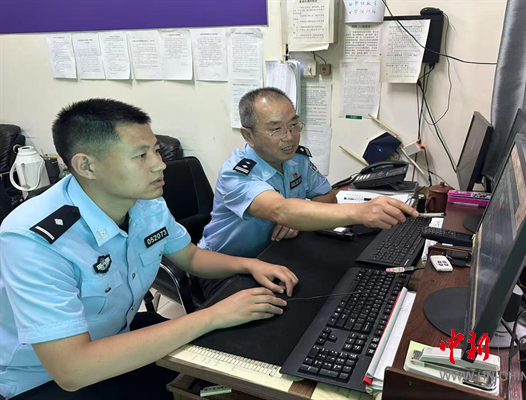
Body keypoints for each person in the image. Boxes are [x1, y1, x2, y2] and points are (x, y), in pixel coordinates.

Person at [0, 99, 298, 399]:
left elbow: (190, 256)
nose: (160, 164)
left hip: (119, 334)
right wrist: (213, 315)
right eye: (141, 155)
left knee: (229, 375)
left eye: (155, 150)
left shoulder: (146, 203)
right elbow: (72, 370)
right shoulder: (33, 239)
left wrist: (249, 265)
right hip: (41, 377)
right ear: (86, 166)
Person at [198, 88, 418, 298]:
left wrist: (296, 220)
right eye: (276, 129)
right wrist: (361, 212)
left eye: (294, 124)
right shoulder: (236, 174)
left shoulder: (296, 159)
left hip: (275, 254)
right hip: (224, 268)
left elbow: (327, 197)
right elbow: (279, 209)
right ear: (249, 135)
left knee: (339, 282)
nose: (290, 137)